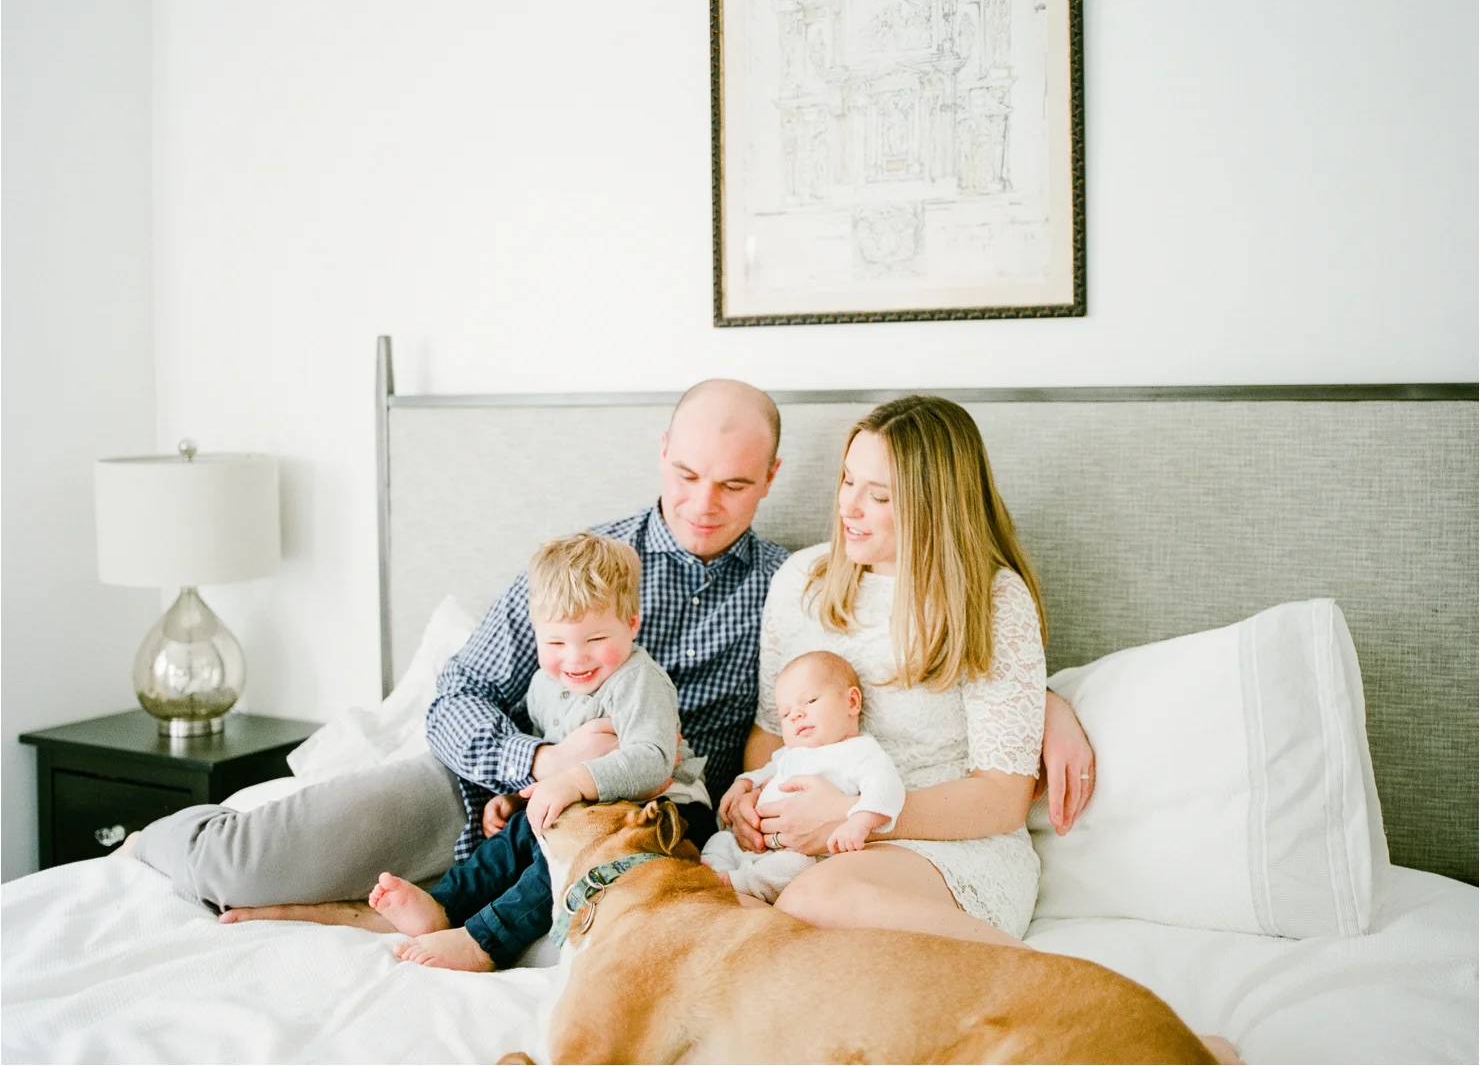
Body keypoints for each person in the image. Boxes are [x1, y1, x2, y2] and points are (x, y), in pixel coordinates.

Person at [125, 380, 1097, 930]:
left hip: (636, 830)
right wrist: (535, 762)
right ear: (658, 451)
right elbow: (457, 696)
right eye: (683, 473)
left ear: (768, 480)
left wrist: (1044, 696)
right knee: (243, 858)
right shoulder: (588, 564)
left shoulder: (786, 584)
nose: (702, 502)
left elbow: (893, 659)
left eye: (729, 483)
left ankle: (386, 918)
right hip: (481, 801)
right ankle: (134, 842)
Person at [722, 395, 1051, 944]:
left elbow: (1001, 798)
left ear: (934, 506)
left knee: (812, 901)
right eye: (848, 480)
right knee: (711, 912)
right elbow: (772, 734)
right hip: (815, 844)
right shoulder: (802, 581)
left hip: (944, 848)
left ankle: (1084, 1001)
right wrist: (755, 797)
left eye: (878, 495)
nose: (849, 507)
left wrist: (856, 816)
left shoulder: (992, 600)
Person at [365, 532, 710, 971]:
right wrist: (523, 795)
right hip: (585, 804)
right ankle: (444, 906)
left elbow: (653, 761)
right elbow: (555, 754)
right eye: (556, 643)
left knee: (563, 859)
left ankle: (485, 941)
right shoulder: (543, 686)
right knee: (516, 837)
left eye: (594, 639)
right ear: (536, 636)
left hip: (666, 812)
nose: (575, 659)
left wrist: (571, 781)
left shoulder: (638, 681)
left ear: (632, 624)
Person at [702, 650, 905, 904]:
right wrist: (743, 783)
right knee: (720, 841)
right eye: (785, 714)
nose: (796, 715)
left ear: (852, 702)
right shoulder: (790, 753)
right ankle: (709, 871)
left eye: (809, 701)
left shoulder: (859, 752)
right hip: (756, 845)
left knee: (794, 868)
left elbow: (886, 788)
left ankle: (737, 883)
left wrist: (859, 824)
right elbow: (764, 772)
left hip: (801, 851)